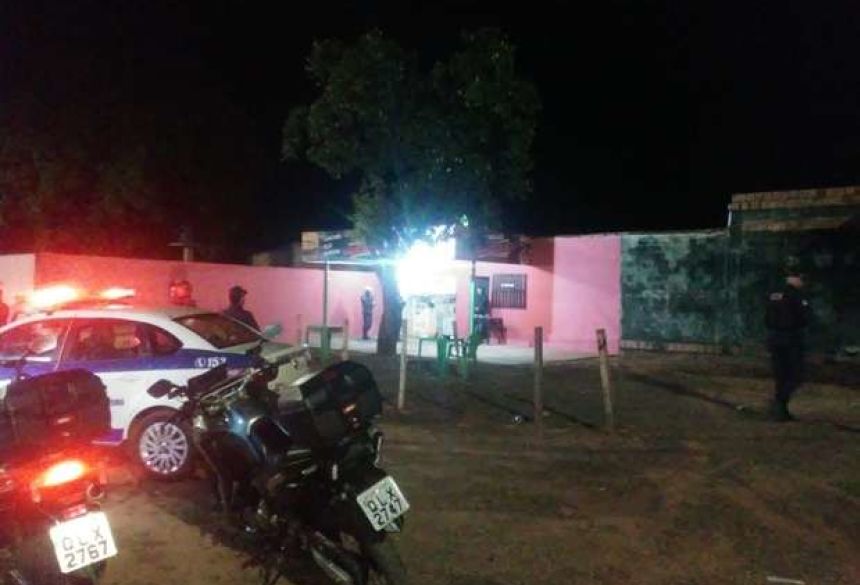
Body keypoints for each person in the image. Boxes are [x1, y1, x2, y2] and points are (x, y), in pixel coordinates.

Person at [764, 267, 811, 422]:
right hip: (791, 339)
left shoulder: (773, 294)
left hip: (774, 337)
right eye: (801, 279)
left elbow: (767, 316)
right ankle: (779, 403)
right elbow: (804, 318)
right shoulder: (796, 296)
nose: (802, 283)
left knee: (781, 375)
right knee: (795, 375)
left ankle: (780, 409)